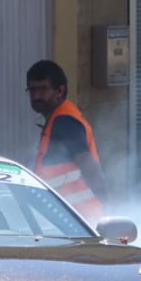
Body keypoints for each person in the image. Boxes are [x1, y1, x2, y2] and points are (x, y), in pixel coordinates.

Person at [26, 59, 108, 220]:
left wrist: (109, 206)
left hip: (78, 221)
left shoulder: (64, 122)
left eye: (43, 89)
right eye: (32, 90)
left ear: (60, 91)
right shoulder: (59, 118)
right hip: (69, 219)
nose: (36, 96)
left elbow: (90, 169)